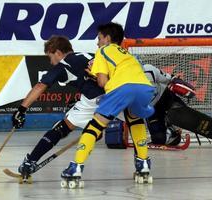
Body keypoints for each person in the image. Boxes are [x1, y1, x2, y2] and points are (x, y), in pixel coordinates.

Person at [61, 22, 155, 187]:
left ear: (107, 38)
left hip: (123, 88)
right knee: (135, 120)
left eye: (99, 38)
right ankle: (143, 164)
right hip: (145, 87)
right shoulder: (129, 54)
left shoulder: (102, 51)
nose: (97, 42)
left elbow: (103, 82)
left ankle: (76, 167)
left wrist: (94, 75)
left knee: (95, 125)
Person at [11, 35, 105, 177]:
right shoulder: (87, 55)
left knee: (62, 127)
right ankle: (142, 164)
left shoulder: (64, 65)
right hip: (118, 91)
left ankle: (30, 161)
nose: (51, 62)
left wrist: (22, 109)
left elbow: (40, 86)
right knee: (134, 122)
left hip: (96, 99)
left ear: (58, 53)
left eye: (50, 57)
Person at [143, 64, 212, 146]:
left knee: (186, 118)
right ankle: (171, 130)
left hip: (165, 97)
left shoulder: (148, 69)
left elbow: (169, 79)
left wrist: (176, 81)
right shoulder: (130, 84)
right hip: (151, 109)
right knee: (159, 140)